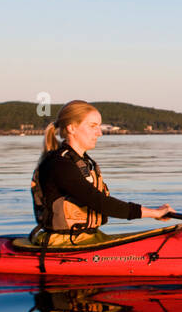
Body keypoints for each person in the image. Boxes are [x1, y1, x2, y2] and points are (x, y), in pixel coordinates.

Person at [30, 100, 174, 245]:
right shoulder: (59, 164)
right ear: (72, 128)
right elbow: (100, 202)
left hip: (85, 237)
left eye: (99, 126)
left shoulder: (82, 162)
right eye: (93, 126)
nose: (99, 133)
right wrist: (154, 213)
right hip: (63, 242)